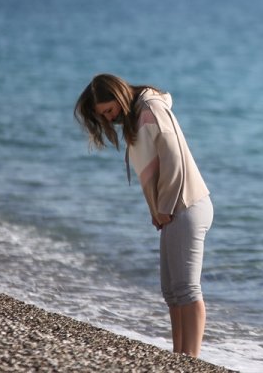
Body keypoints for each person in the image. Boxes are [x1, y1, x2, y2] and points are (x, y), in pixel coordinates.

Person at [74, 73, 213, 358]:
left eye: (109, 110)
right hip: (174, 208)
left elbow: (173, 156)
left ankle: (192, 360)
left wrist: (163, 207)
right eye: (103, 115)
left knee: (187, 289)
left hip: (185, 205)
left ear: (119, 96)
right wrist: (157, 209)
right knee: (172, 291)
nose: (109, 118)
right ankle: (179, 356)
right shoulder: (139, 114)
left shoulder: (151, 109)